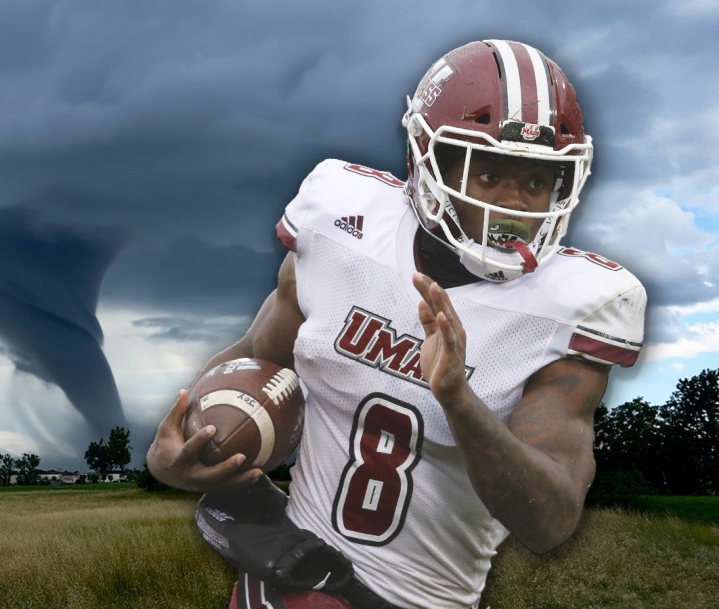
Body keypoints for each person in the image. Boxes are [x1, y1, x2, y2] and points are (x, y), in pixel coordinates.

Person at [146, 39, 647, 609]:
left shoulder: (572, 305)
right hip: (288, 575)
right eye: (488, 175)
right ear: (426, 158)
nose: (512, 205)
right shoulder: (342, 226)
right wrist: (182, 447)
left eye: (535, 182)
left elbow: (550, 520)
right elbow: (258, 355)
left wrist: (459, 401)